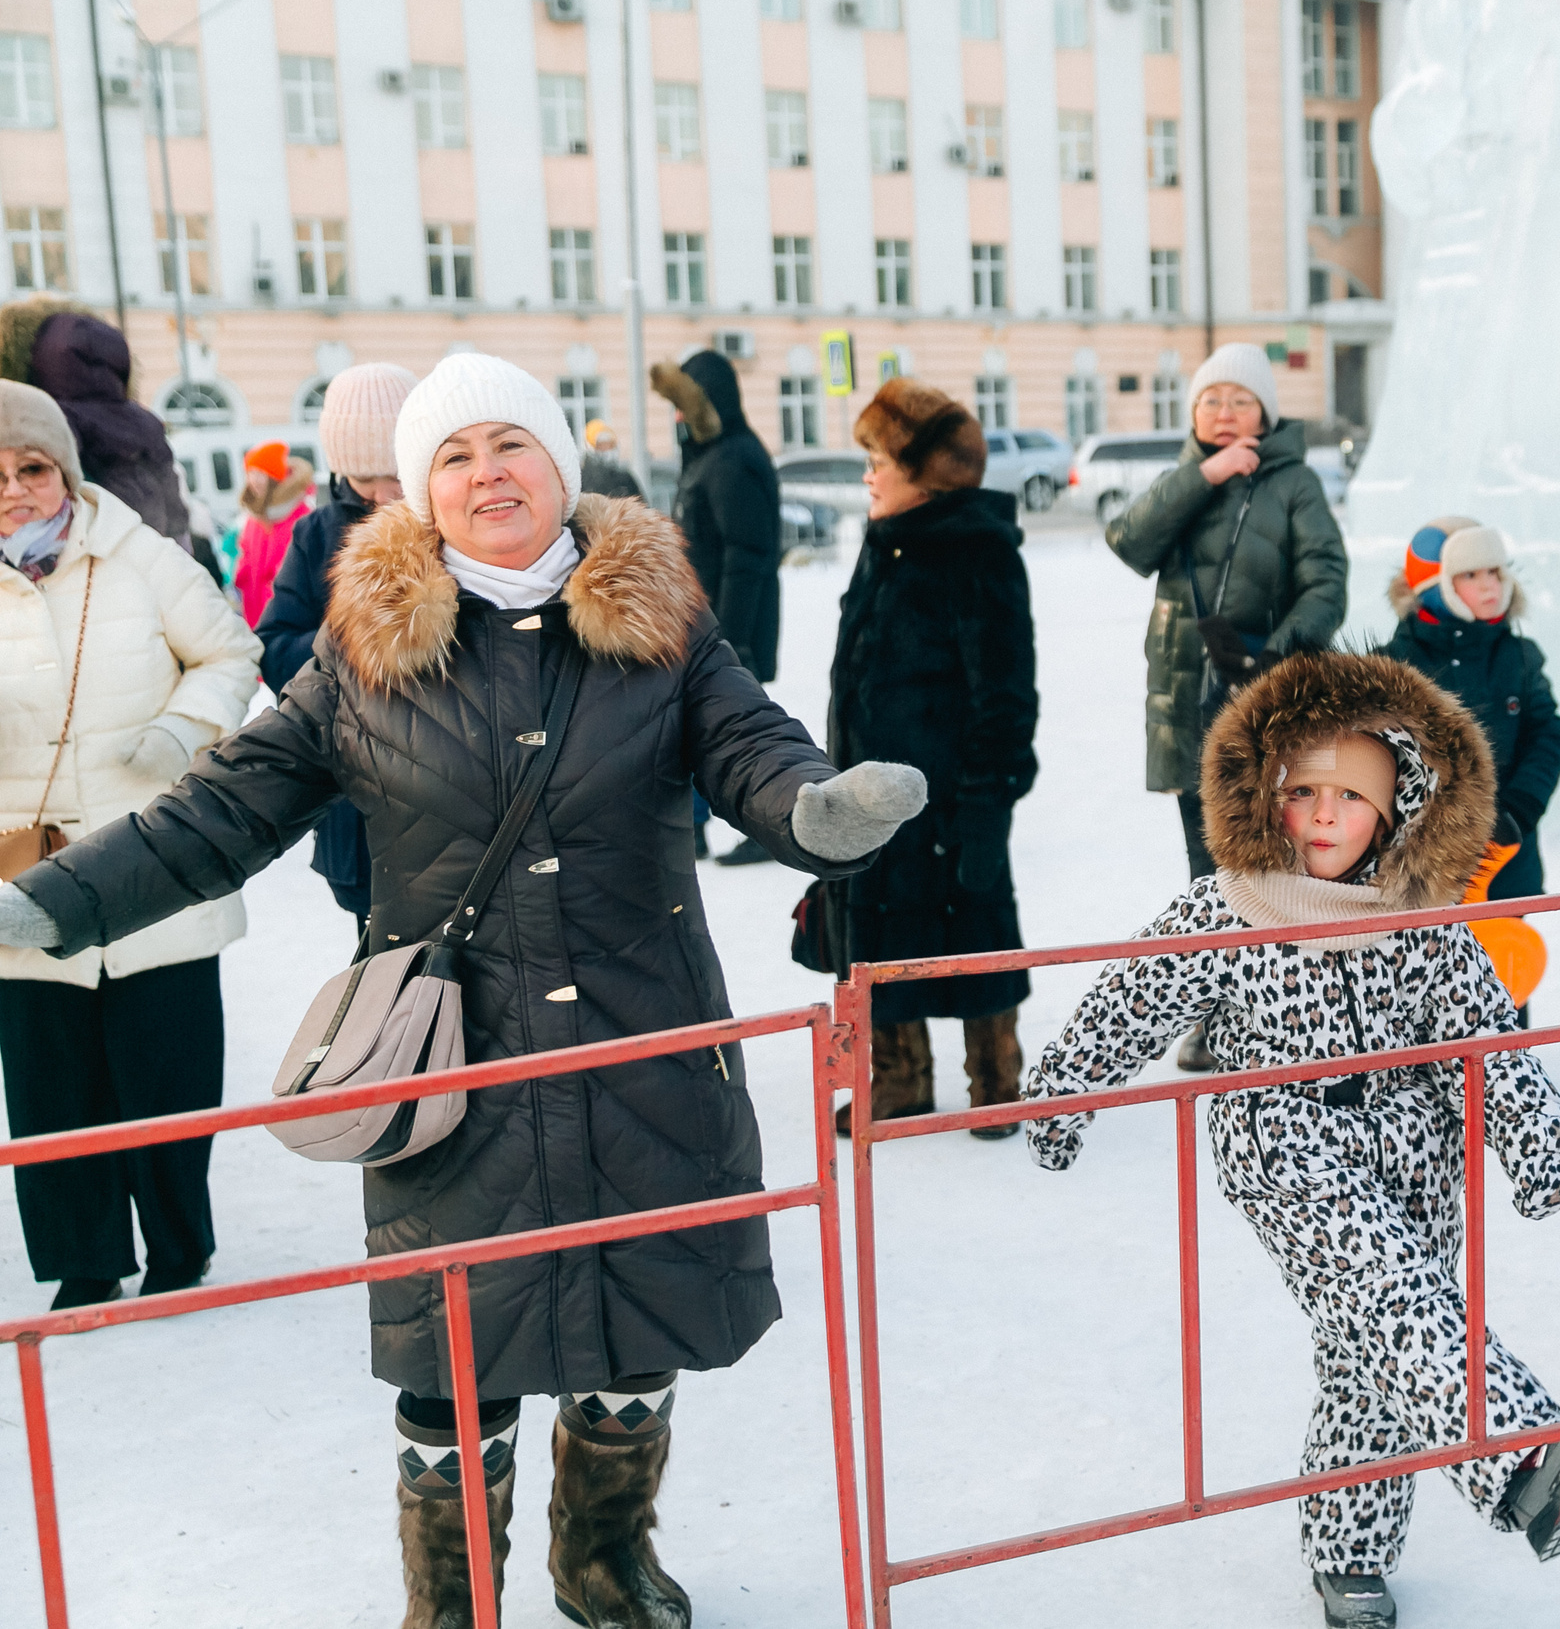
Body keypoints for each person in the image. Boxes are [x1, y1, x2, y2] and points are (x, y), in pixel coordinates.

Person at [0, 352, 929, 1625]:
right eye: (454, 456)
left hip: (640, 1041)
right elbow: (220, 814)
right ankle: (453, 1602)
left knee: (639, 1322)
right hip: (453, 1069)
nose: (487, 474)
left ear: (560, 464)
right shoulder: (363, 657)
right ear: (417, 494)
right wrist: (53, 899)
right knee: (452, 1358)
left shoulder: (664, 630)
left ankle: (605, 1564)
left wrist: (818, 813)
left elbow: (753, 747)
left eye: (511, 446)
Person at [1022, 650, 1560, 1629]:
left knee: (1376, 1358)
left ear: (1395, 808)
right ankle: (1523, 1458)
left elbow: (1483, 1039)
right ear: (1265, 796)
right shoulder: (1230, 908)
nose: (1318, 815)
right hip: (1288, 1143)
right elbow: (1129, 1000)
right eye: (1299, 790)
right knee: (1389, 1293)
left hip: (1420, 1151)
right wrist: (1060, 1101)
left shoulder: (1422, 922)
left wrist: (1535, 1138)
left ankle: (1351, 1557)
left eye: (1347, 796)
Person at [0, 380, 261, 1310]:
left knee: (169, 1074)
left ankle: (179, 1244)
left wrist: (182, 730)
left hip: (153, 859)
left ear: (63, 471)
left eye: (32, 467)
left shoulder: (140, 554)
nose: (14, 488)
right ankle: (83, 1260)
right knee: (50, 1085)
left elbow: (231, 652)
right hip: (19, 869)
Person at [1105, 343, 1347, 1067]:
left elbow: (1327, 581)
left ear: (1266, 411)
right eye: (1211, 400)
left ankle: (1289, 1012)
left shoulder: (1296, 483)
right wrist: (1204, 476)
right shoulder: (1187, 478)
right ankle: (1215, 1018)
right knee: (1207, 872)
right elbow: (1127, 540)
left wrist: (1276, 654)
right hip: (1187, 700)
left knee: (1285, 863)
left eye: (1240, 399)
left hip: (1268, 702)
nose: (1224, 412)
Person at [812, 379, 1038, 1133]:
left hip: (954, 794)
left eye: (879, 459)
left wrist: (987, 798)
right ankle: (899, 1078)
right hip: (875, 790)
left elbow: (1005, 693)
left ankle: (997, 1083)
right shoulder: (886, 541)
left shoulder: (977, 549)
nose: (868, 474)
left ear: (926, 471)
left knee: (973, 924)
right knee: (877, 933)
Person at [256, 361, 417, 927]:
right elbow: (274, 649)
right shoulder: (317, 534)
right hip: (360, 803)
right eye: (363, 476)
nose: (382, 494)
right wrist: (355, 641)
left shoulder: (452, 523)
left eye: (396, 473)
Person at [1382, 516, 1560, 904]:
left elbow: (1547, 736)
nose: (1488, 585)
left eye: (1494, 572)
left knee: (1507, 959)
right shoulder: (1392, 666)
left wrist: (1520, 807)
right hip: (1420, 865)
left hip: (1507, 858)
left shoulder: (1519, 656)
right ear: (1434, 585)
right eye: (1469, 575)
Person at [654, 352, 784, 868]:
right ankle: (695, 828)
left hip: (727, 626)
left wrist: (731, 636)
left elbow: (745, 556)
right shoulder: (710, 458)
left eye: (686, 408)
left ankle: (768, 823)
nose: (678, 419)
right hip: (702, 623)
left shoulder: (733, 459)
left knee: (739, 730)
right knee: (700, 727)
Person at [0, 298, 192, 546]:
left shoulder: (53, 419)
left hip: (85, 550)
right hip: (150, 547)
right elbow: (175, 509)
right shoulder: (144, 421)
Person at [232, 439, 312, 628]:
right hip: (254, 617)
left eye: (260, 473)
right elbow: (246, 559)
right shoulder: (254, 520)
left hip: (287, 620)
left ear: (275, 477)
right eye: (250, 473)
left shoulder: (300, 517)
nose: (253, 480)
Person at [580, 419, 645, 502]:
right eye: (601, 445)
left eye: (610, 445)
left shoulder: (625, 479)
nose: (607, 449)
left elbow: (642, 508)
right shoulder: (580, 480)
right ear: (589, 447)